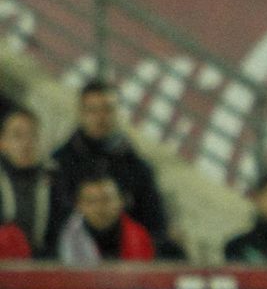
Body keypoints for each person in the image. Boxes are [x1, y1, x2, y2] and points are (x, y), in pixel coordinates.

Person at [52, 80, 180, 259]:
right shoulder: (59, 164)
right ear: (81, 113)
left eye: (107, 109)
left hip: (131, 263)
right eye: (92, 110)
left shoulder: (137, 166)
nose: (100, 117)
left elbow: (156, 223)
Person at [0, 107, 68, 258]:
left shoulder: (55, 178)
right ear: (2, 142)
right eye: (17, 135)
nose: (26, 142)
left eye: (32, 135)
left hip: (41, 268)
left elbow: (61, 229)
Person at [56, 170, 156, 263]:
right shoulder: (59, 240)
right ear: (78, 205)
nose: (99, 208)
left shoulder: (143, 238)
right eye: (91, 201)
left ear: (122, 201)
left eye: (106, 199)